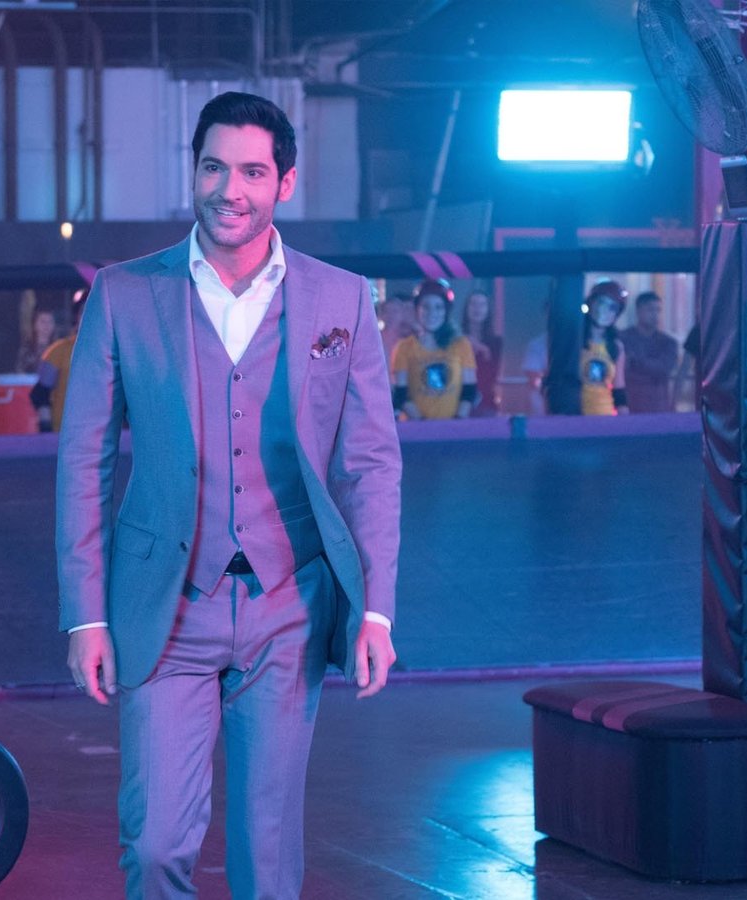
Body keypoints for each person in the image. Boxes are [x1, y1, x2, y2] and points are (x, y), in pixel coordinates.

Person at [56, 91, 400, 900]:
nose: (229, 189)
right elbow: (82, 461)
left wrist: (377, 611)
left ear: (285, 182)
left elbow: (371, 464)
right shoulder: (123, 293)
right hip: (165, 603)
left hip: (290, 603)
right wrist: (85, 615)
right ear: (195, 172)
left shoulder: (342, 299)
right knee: (154, 846)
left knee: (266, 858)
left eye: (251, 172)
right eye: (214, 168)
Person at [390, 280, 478, 420]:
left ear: (446, 311)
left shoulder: (461, 344)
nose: (432, 313)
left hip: (453, 426)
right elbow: (401, 393)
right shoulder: (404, 347)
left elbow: (469, 390)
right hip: (416, 427)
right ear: (417, 309)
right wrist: (425, 426)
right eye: (426, 307)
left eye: (438, 307)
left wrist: (457, 422)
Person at [31, 290, 85, 433]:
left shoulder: (114, 354)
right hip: (65, 434)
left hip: (105, 436)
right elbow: (40, 395)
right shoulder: (59, 351)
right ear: (77, 317)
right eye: (84, 311)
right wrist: (46, 428)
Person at [618, 291, 679, 413]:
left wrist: (636, 362)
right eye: (650, 310)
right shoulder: (623, 339)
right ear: (638, 311)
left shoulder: (668, 343)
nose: (655, 315)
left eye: (658, 310)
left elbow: (664, 368)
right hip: (630, 405)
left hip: (658, 406)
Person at [579, 280, 629, 416]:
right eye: (601, 303)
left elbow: (619, 388)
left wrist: (625, 420)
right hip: (576, 417)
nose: (604, 311)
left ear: (616, 314)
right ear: (591, 304)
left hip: (605, 416)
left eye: (612, 307)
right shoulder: (575, 342)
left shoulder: (616, 346)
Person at [458, 289, 501, 416]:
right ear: (467, 308)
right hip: (457, 400)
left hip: (486, 401)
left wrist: (482, 349)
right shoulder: (456, 339)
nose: (477, 309)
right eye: (473, 304)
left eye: (482, 305)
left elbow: (492, 373)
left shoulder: (496, 342)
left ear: (488, 310)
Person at [16, 303, 59, 375]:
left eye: (50, 321)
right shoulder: (27, 349)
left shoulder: (58, 348)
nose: (46, 326)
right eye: (43, 322)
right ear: (35, 324)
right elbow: (20, 372)